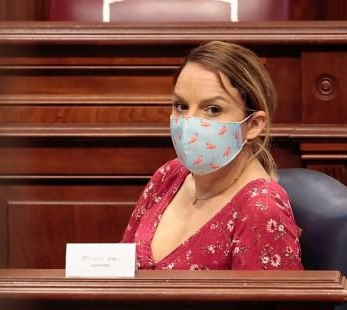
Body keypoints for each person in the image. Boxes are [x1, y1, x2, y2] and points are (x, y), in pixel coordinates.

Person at [122, 41, 303, 271]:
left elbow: (273, 306)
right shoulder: (169, 175)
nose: (190, 122)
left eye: (213, 110)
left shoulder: (261, 208)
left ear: (253, 125)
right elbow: (119, 270)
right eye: (181, 106)